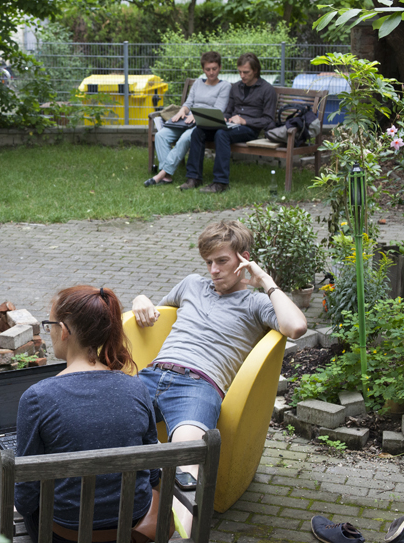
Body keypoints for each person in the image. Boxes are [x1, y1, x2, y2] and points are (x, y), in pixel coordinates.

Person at [131, 220, 306, 530]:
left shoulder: (256, 303)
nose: (213, 270)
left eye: (222, 261)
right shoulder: (191, 284)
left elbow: (296, 326)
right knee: (97, 423)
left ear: (244, 259)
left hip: (198, 387)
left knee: (187, 462)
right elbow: (156, 312)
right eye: (209, 262)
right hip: (151, 374)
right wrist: (139, 300)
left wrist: (264, 279)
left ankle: (181, 537)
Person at [15, 285, 161, 543]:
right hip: (132, 526)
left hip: (66, 535)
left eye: (50, 324)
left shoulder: (38, 397)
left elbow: (26, 497)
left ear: (64, 332)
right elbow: (153, 473)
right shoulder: (137, 388)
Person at [180, 53, 277, 193]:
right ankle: (193, 178)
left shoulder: (267, 90)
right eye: (240, 72)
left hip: (250, 129)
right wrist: (223, 118)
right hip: (230, 126)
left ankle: (220, 182)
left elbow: (268, 120)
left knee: (221, 134)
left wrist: (245, 121)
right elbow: (228, 111)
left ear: (255, 70)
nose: (242, 75)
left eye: (246, 72)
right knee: (198, 132)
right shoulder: (236, 87)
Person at [144, 51, 231, 187]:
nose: (211, 72)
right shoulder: (197, 84)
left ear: (220, 68)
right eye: (207, 69)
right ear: (203, 69)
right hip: (186, 120)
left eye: (214, 69)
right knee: (161, 136)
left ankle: (162, 174)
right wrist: (182, 111)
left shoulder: (225, 86)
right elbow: (188, 103)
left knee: (185, 138)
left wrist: (196, 115)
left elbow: (218, 110)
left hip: (203, 124)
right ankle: (167, 176)